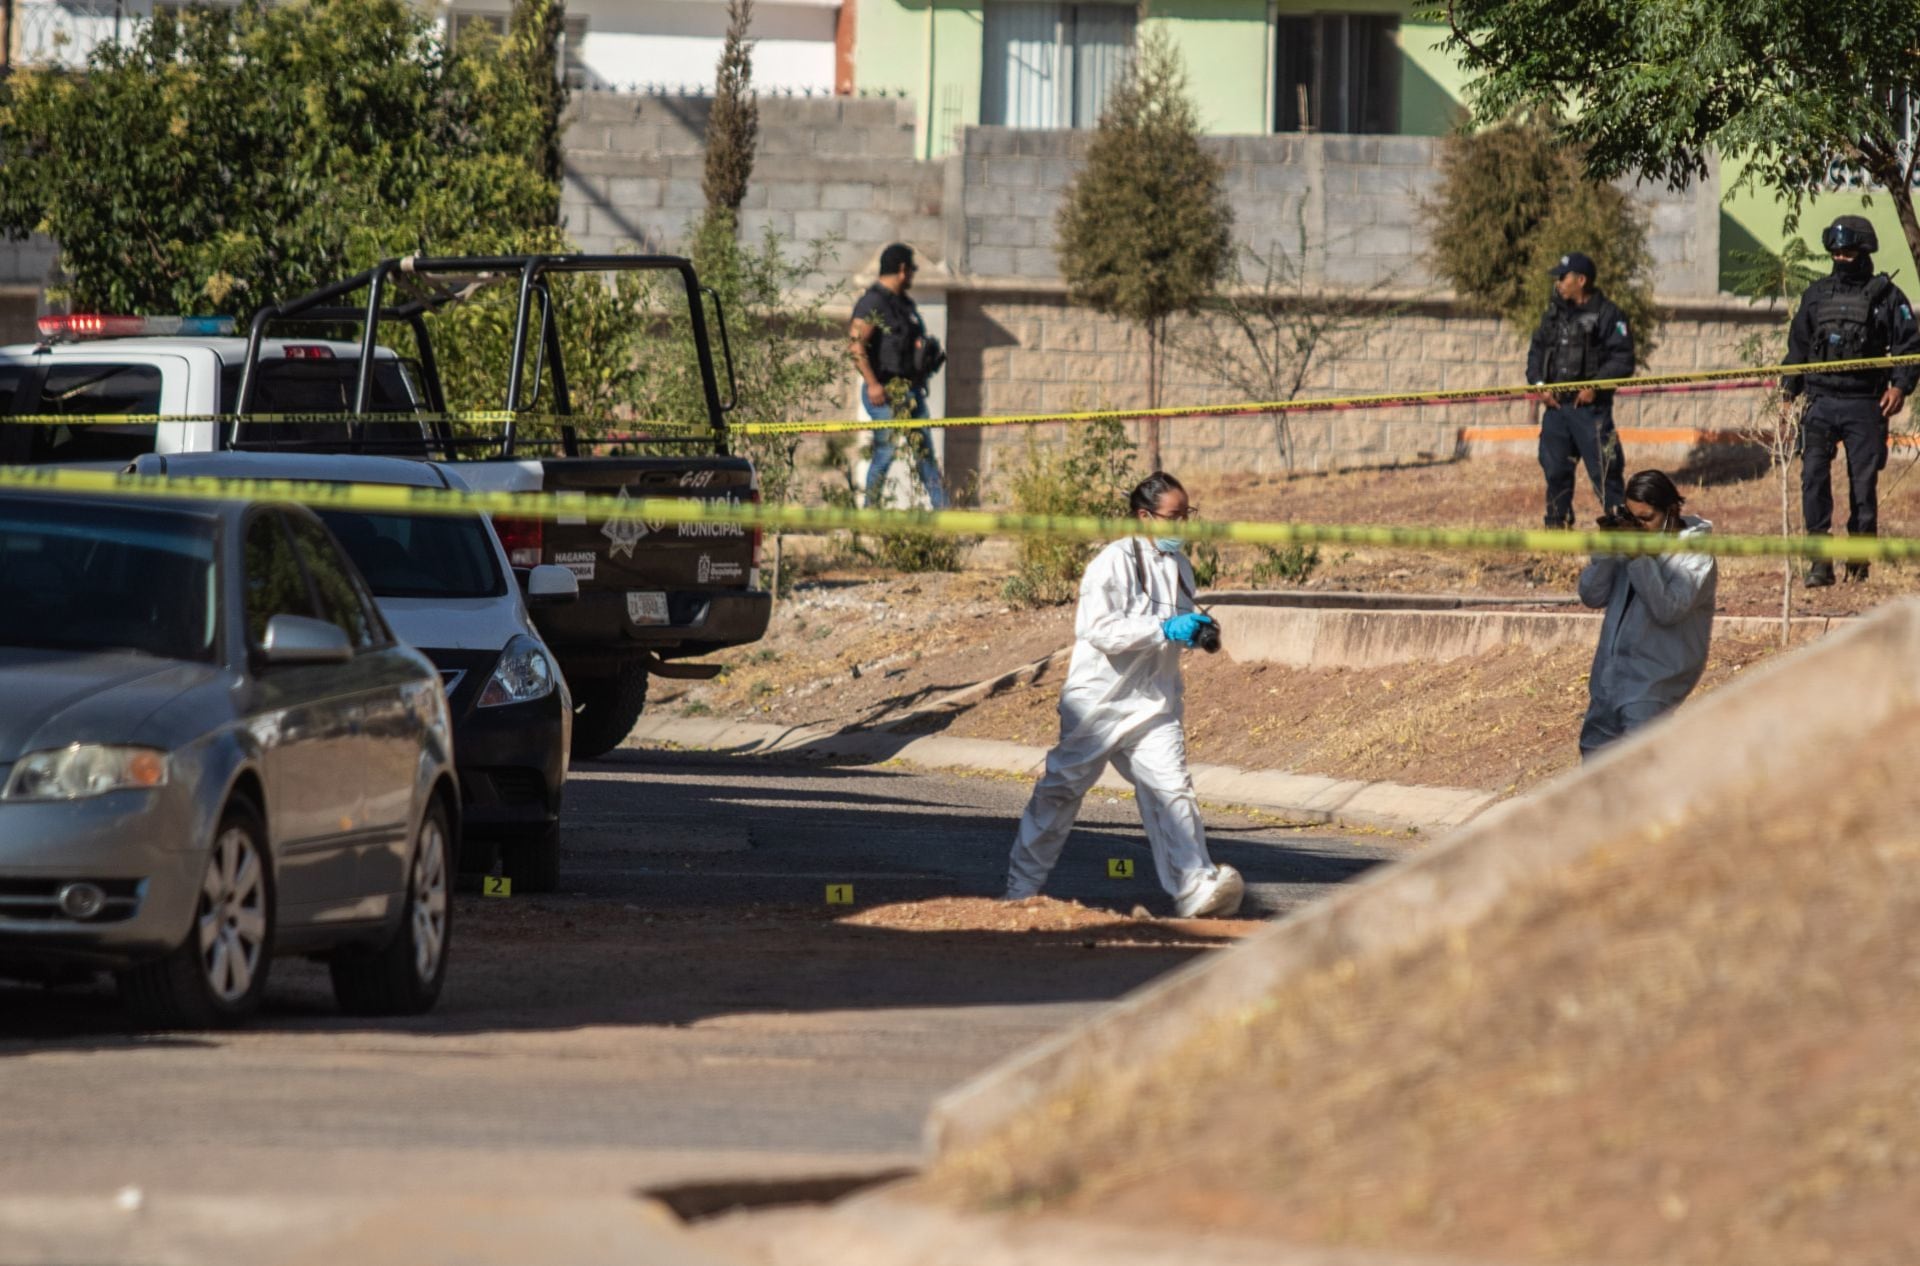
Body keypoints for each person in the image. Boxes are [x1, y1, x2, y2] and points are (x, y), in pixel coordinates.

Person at [1003, 472, 1244, 918]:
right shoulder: (1111, 563)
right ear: (1144, 516)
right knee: (1059, 792)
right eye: (1175, 516)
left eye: (1188, 515)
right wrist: (1162, 628)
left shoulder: (1180, 567)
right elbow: (1096, 629)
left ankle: (1196, 887)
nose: (1183, 525)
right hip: (1098, 703)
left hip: (1154, 702)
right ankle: (1021, 890)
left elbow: (1175, 626)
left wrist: (1193, 633)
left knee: (1172, 791)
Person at [1780, 214, 1920, 587]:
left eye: (1848, 251)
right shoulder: (1816, 295)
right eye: (1837, 252)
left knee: (1862, 486)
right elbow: (1797, 347)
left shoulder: (1887, 297)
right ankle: (1818, 564)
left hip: (1864, 403)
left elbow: (1909, 347)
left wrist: (1900, 387)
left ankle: (1858, 566)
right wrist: (1786, 393)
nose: (1841, 257)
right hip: (1820, 401)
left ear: (1864, 251)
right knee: (1812, 479)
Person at [1576, 469, 1717, 759]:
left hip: (1653, 686)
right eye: (1632, 518)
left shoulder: (1695, 555)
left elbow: (1668, 609)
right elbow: (1591, 596)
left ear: (1672, 511)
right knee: (1593, 775)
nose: (1638, 527)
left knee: (1640, 773)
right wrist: (1607, 550)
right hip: (1609, 681)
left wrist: (1639, 558)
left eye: (1646, 519)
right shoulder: (1632, 541)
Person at [1527, 251, 1636, 528]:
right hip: (1556, 411)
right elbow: (1536, 353)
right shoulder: (1553, 315)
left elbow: (1623, 359)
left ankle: (1619, 533)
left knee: (1607, 471)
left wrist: (1595, 386)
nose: (1558, 284)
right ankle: (1556, 527)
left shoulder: (1608, 314)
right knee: (1554, 471)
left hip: (1592, 412)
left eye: (1563, 278)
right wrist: (1540, 386)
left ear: (1581, 280)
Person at [850, 243, 948, 509]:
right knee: (886, 451)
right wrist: (872, 385)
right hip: (883, 392)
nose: (913, 276)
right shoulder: (873, 302)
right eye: (912, 270)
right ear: (902, 269)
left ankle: (944, 513)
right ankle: (870, 512)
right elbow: (856, 346)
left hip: (912, 392)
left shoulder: (904, 304)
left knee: (925, 455)